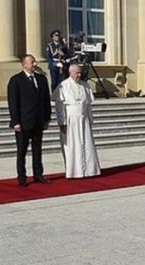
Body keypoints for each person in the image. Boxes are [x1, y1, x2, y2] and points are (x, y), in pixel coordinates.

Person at [7, 54, 52, 187]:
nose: (34, 64)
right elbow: (13, 103)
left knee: (37, 150)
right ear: (24, 64)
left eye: (34, 62)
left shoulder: (41, 79)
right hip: (23, 122)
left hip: (38, 121)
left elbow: (46, 101)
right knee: (22, 151)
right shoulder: (16, 80)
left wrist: (47, 118)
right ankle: (22, 177)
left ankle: (38, 174)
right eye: (32, 62)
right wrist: (15, 121)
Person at [53, 64, 101, 178]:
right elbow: (60, 106)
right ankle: (74, 171)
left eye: (80, 73)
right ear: (71, 73)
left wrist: (90, 119)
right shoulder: (63, 85)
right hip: (71, 120)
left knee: (87, 145)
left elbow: (88, 105)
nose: (79, 75)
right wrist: (62, 122)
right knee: (73, 146)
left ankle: (90, 170)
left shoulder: (85, 85)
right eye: (77, 73)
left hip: (84, 119)